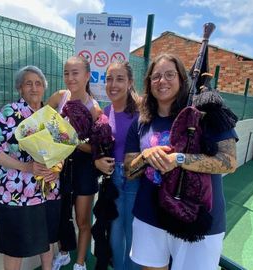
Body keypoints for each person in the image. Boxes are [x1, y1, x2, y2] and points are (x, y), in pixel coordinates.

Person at [124, 53, 238, 270]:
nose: (162, 81)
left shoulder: (205, 112)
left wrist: (179, 159)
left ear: (181, 79)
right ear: (148, 83)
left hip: (196, 218)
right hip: (150, 216)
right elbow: (129, 171)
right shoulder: (141, 122)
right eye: (156, 76)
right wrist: (145, 156)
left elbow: (229, 161)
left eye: (169, 74)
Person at [0, 65, 61, 270]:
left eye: (38, 84)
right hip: (16, 192)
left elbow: (60, 149)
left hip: (47, 188)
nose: (34, 88)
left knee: (46, 237)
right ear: (20, 88)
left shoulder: (50, 116)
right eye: (28, 83)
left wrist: (57, 168)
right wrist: (26, 167)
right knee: (15, 244)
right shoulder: (9, 112)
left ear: (44, 88)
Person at [47, 56, 101, 270]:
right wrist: (3, 116)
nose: (70, 78)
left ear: (87, 76)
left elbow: (95, 148)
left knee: (82, 220)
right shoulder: (59, 97)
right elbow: (37, 118)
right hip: (60, 165)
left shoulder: (94, 109)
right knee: (61, 216)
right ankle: (63, 254)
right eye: (67, 73)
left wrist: (73, 141)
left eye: (75, 73)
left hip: (83, 168)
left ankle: (80, 263)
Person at [94, 60, 140, 270]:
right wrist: (98, 161)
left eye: (120, 79)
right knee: (114, 233)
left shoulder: (142, 112)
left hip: (135, 179)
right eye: (109, 79)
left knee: (132, 234)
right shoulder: (105, 111)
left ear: (130, 82)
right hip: (113, 181)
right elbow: (97, 146)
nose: (113, 84)